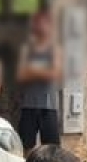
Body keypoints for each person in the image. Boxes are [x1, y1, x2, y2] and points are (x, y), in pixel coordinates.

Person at [16, 10, 62, 153]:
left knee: (52, 150)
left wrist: (33, 70)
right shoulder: (26, 48)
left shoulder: (55, 49)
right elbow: (21, 75)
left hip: (49, 107)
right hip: (28, 104)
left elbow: (55, 74)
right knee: (25, 146)